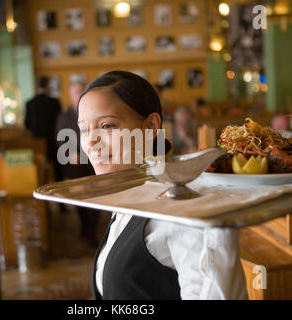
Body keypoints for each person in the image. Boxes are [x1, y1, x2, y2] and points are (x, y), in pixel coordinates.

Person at [77, 71, 248, 300]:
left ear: (151, 126)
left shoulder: (181, 205)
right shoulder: (129, 193)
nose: (90, 141)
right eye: (84, 129)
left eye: (107, 125)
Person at [55, 81, 99, 246]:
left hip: (93, 162)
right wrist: (69, 154)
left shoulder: (95, 112)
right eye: (76, 92)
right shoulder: (64, 117)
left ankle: (92, 233)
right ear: (71, 95)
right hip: (75, 165)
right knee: (80, 199)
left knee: (95, 198)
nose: (79, 94)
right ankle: (84, 226)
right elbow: (60, 139)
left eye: (82, 91)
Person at [25, 76, 62, 181]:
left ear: (37, 86)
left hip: (37, 142)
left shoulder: (30, 103)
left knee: (40, 170)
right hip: (54, 140)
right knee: (57, 169)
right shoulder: (54, 102)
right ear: (47, 85)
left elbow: (27, 124)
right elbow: (60, 122)